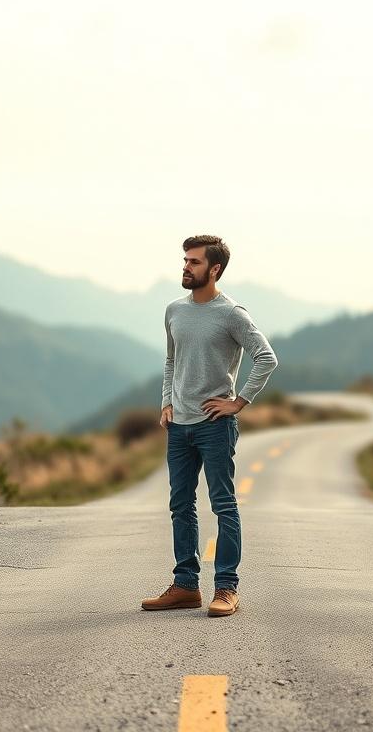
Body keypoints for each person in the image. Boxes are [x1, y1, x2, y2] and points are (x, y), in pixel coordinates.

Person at [140, 234, 279, 617]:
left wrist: (238, 402)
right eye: (185, 260)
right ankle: (186, 585)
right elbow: (171, 361)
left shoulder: (232, 314)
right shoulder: (173, 310)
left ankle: (226, 588)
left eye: (195, 262)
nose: (186, 267)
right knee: (180, 506)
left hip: (214, 426)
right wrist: (166, 401)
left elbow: (266, 358)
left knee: (223, 506)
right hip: (178, 426)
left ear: (214, 269)